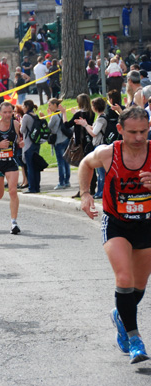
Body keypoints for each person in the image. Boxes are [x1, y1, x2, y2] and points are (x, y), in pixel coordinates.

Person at [79, 106, 150, 364]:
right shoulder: (109, 153)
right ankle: (134, 339)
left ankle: (120, 315)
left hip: (146, 224)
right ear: (120, 130)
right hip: (116, 222)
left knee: (139, 287)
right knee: (124, 277)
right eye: (133, 132)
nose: (139, 137)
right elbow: (86, 164)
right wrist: (86, 194)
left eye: (144, 131)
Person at [0, 102, 24, 234]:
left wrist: (20, 142)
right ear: (0, 113)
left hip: (11, 162)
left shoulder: (16, 124)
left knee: (13, 191)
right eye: (5, 112)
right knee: (0, 193)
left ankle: (14, 223)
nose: (8, 115)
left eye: (10, 112)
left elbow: (17, 139)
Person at [76, 97, 108, 199]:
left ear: (95, 107)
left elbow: (94, 133)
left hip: (100, 146)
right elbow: (94, 129)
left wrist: (85, 126)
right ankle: (100, 191)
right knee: (100, 171)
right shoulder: (100, 117)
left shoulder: (101, 119)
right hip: (99, 146)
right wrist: (85, 124)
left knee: (101, 172)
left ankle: (101, 192)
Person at [65, 94, 96, 198]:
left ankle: (82, 190)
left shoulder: (79, 113)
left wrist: (64, 113)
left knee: (82, 168)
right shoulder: (91, 113)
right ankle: (92, 188)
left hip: (81, 143)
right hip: (90, 141)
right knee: (91, 167)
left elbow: (67, 125)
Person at [47, 99, 71, 190]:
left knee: (60, 163)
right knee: (66, 162)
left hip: (58, 141)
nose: (49, 107)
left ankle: (61, 183)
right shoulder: (61, 113)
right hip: (65, 139)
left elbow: (49, 127)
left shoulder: (54, 116)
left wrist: (48, 117)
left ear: (54, 105)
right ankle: (67, 181)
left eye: (50, 105)